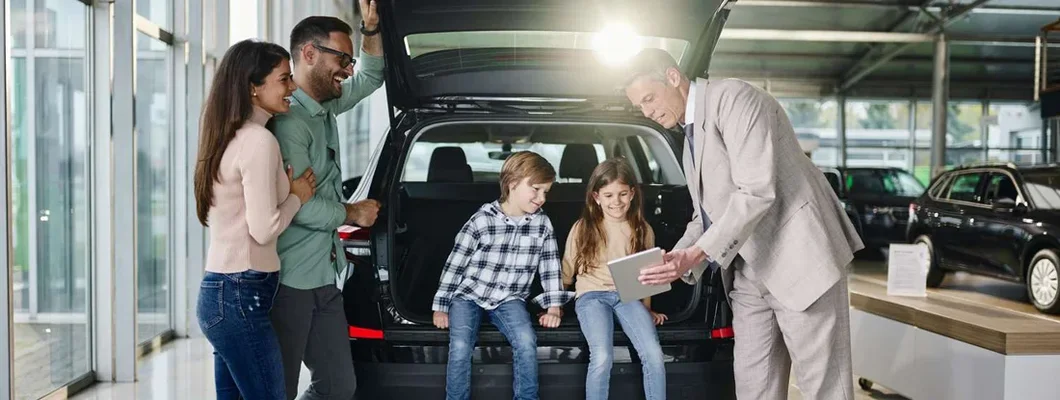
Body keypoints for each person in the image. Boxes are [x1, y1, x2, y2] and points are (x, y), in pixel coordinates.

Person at [621, 49, 864, 399]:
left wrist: (696, 254)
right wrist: (675, 258)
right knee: (753, 386)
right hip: (748, 271)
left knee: (824, 387)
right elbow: (705, 216)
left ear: (673, 77)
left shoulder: (735, 99)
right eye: (639, 106)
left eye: (649, 99)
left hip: (799, 258)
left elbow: (756, 192)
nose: (647, 112)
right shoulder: (690, 138)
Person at [267, 3, 385, 399]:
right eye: (342, 59)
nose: (349, 70)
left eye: (349, 61)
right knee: (280, 388)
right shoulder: (289, 123)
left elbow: (371, 77)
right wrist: (352, 212)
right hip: (289, 281)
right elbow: (299, 205)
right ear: (309, 53)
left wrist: (371, 29)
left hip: (324, 275)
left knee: (337, 385)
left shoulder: (324, 106)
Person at [193, 39, 316, 400]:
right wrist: (297, 196)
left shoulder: (227, 138)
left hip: (223, 292)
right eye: (283, 79)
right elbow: (264, 230)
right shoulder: (259, 142)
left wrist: (284, 190)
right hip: (240, 294)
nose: (293, 87)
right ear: (253, 87)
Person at [431, 151, 574, 400]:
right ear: (512, 184)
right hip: (469, 295)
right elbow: (455, 264)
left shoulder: (542, 224)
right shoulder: (481, 220)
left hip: (510, 298)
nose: (542, 198)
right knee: (461, 345)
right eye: (536, 189)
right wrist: (441, 307)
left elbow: (550, 266)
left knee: (526, 341)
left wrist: (554, 307)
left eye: (546, 192)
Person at [561, 158, 667, 400]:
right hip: (591, 297)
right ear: (596, 197)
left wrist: (647, 309)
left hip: (627, 297)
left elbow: (647, 275)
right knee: (602, 356)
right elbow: (567, 269)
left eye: (622, 194)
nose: (616, 202)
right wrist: (556, 307)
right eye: (608, 195)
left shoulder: (642, 229)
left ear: (632, 194)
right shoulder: (583, 227)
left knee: (654, 355)